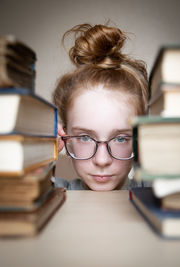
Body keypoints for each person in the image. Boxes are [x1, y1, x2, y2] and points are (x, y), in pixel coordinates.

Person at [51, 23, 148, 191]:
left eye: (120, 139)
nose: (102, 160)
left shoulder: (153, 194)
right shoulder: (56, 194)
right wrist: (41, 155)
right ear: (66, 139)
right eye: (85, 137)